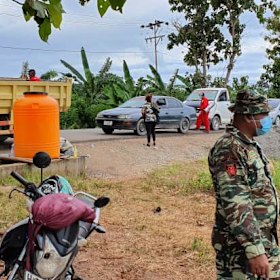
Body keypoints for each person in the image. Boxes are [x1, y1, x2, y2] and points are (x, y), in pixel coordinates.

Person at [208, 89, 280, 279]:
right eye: (264, 115)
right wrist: (254, 250)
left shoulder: (248, 145)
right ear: (248, 116)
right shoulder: (229, 149)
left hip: (261, 240)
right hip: (240, 249)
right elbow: (237, 203)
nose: (267, 120)